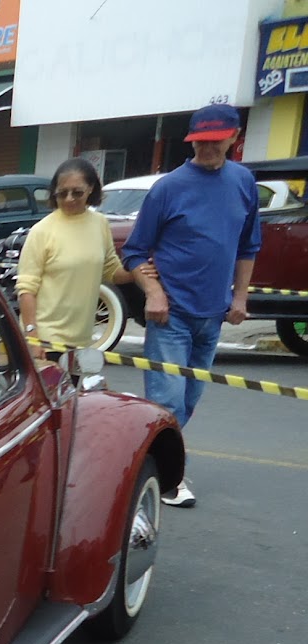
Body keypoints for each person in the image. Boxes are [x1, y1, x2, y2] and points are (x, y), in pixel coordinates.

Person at [121, 104, 260, 508]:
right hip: (171, 314)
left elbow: (249, 244)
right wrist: (154, 292)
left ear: (234, 138)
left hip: (213, 313)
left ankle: (146, 461)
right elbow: (134, 251)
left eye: (217, 140)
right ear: (192, 139)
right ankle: (166, 478)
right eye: (201, 140)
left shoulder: (243, 182)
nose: (208, 148)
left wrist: (239, 297)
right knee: (166, 398)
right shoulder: (168, 188)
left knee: (189, 399)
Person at [16, 157, 139, 368]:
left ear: (91, 188)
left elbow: (110, 269)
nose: (69, 198)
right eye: (62, 193)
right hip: (46, 341)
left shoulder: (100, 224)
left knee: (75, 399)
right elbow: (26, 289)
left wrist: (139, 272)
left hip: (81, 341)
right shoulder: (42, 231)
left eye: (77, 192)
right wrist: (32, 335)